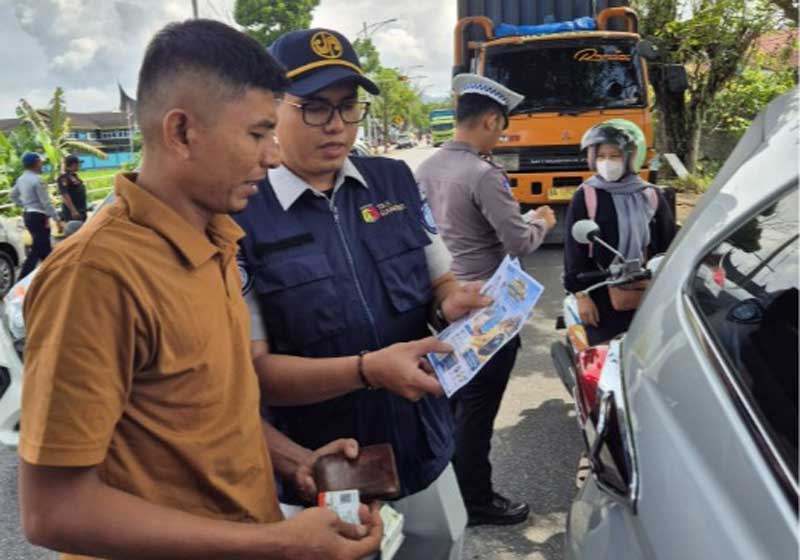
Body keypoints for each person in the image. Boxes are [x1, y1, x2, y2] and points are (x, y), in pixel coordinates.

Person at [18, 19, 382, 560]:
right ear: (181, 132)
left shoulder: (216, 237)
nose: (273, 156)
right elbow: (53, 512)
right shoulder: (96, 276)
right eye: (258, 134)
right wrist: (276, 543)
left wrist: (291, 459)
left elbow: (206, 413)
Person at [236, 28, 492, 560]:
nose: (335, 124)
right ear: (270, 107)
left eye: (347, 107)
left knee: (440, 540)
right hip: (322, 456)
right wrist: (367, 369)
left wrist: (453, 305)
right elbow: (252, 373)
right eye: (313, 107)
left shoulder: (392, 180)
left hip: (417, 431)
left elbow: (438, 284)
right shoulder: (244, 212)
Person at [415, 74, 557, 526]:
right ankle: (474, 501)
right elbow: (517, 242)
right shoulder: (483, 173)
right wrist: (542, 222)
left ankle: (452, 491)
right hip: (488, 309)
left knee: (455, 404)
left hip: (444, 301)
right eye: (501, 128)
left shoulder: (426, 168)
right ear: (491, 120)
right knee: (477, 410)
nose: (500, 137)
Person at [563, 120, 676, 345]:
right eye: (601, 156)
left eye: (614, 156)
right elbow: (574, 251)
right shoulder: (586, 195)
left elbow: (667, 247)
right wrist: (582, 295)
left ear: (629, 158)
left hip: (643, 290)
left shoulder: (650, 195)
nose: (607, 162)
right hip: (599, 293)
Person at [10, 152, 63, 278]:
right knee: (39, 249)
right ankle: (23, 279)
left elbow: (13, 196)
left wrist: (26, 205)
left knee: (43, 248)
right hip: (39, 217)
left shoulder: (21, 179)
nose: (42, 164)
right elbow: (46, 203)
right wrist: (57, 219)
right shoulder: (38, 180)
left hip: (28, 215)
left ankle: (53, 275)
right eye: (40, 162)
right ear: (35, 163)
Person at [57, 154, 88, 222]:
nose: (79, 165)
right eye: (78, 164)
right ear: (73, 164)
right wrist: (73, 211)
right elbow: (65, 195)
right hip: (73, 212)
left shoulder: (73, 175)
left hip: (81, 209)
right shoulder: (63, 177)